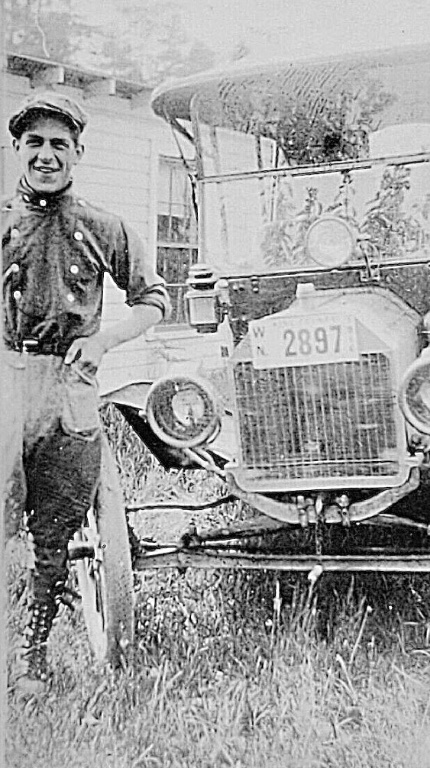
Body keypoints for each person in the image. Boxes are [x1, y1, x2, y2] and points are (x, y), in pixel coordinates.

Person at [2, 91, 171, 695]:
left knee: (56, 529)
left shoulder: (103, 226)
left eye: (59, 144)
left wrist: (104, 341)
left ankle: (33, 653)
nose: (46, 156)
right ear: (16, 148)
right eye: (34, 143)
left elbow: (154, 299)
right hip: (8, 382)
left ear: (78, 152)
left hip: (71, 386)